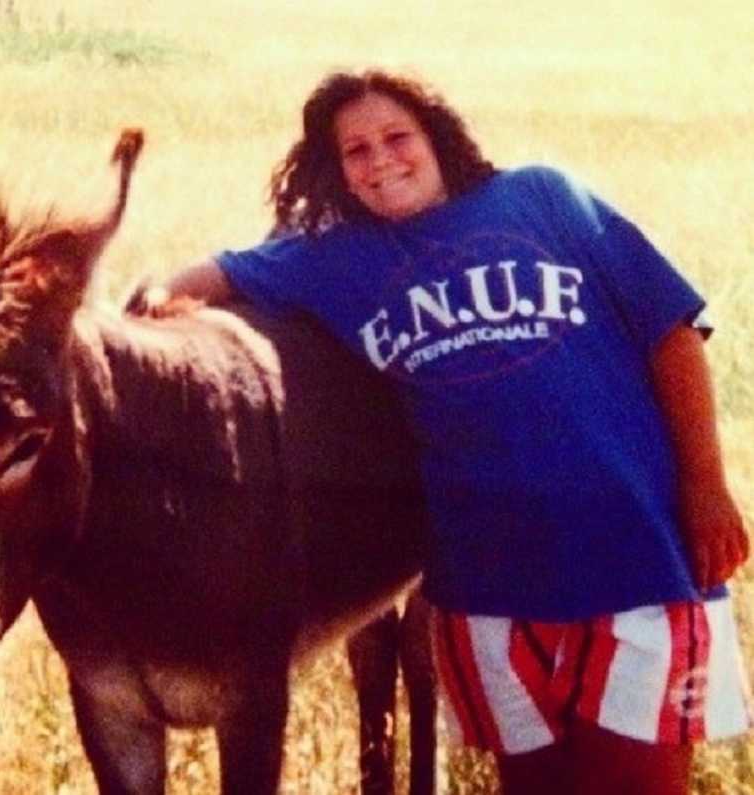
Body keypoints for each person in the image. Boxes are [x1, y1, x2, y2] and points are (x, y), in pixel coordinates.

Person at [125, 69, 751, 794]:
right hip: (490, 591)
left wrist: (706, 484)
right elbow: (212, 275)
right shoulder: (339, 260)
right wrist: (144, 309)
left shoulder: (543, 197)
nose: (381, 159)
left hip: (632, 565)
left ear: (437, 139)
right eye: (355, 150)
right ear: (338, 172)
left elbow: (669, 327)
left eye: (397, 137)